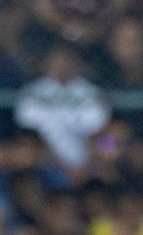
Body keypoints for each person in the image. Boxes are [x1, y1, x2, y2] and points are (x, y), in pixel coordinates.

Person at [13, 44, 110, 174]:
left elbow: (98, 129)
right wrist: (54, 162)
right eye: (57, 59)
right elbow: (26, 128)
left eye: (68, 59)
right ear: (47, 63)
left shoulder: (93, 94)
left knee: (110, 149)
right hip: (42, 166)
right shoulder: (31, 93)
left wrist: (86, 164)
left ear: (79, 64)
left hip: (88, 166)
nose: (62, 65)